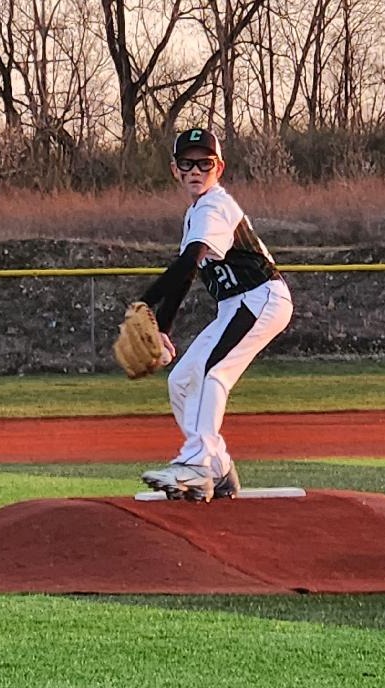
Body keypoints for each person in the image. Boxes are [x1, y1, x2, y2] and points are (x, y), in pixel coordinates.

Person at [140, 127, 293, 502]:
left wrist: (150, 309)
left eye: (204, 163)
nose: (195, 170)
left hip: (262, 297)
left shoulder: (214, 207)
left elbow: (188, 264)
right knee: (182, 381)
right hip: (235, 305)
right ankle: (218, 468)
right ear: (175, 170)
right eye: (186, 163)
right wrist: (158, 322)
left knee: (213, 372)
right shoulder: (195, 213)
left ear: (219, 168)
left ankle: (197, 465)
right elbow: (184, 272)